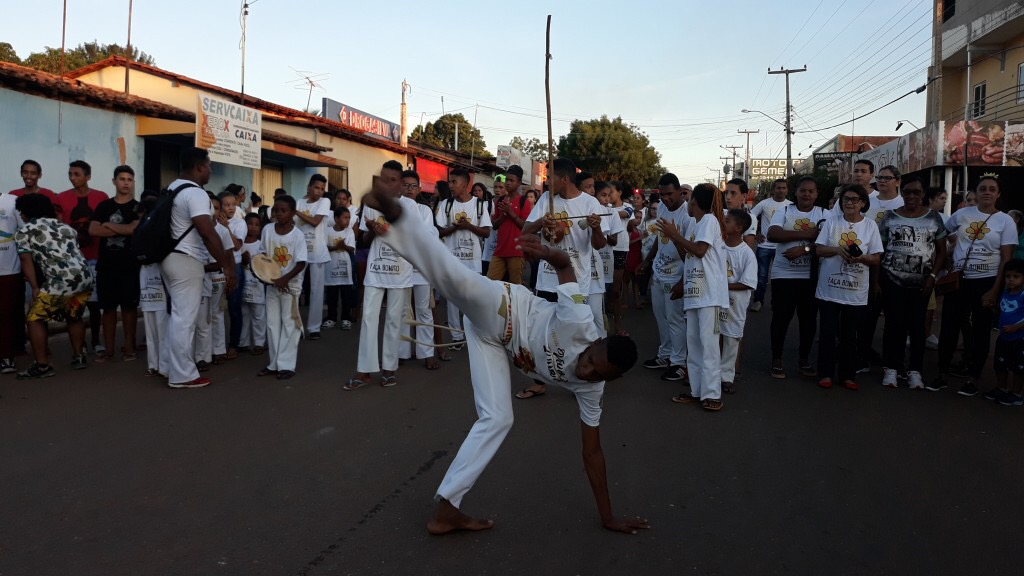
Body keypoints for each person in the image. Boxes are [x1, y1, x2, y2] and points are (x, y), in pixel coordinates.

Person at [357, 178, 645, 536]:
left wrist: (608, 516)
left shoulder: (591, 393)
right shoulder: (580, 321)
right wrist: (545, 252)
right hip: (503, 306)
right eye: (588, 358)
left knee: (498, 419)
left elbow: (593, 454)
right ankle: (398, 217)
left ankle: (447, 509)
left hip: (491, 340)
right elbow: (564, 266)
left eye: (592, 373)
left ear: (607, 381)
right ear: (597, 341)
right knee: (457, 282)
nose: (582, 369)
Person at [517, 158, 609, 399]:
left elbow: (599, 245)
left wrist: (597, 228)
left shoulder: (590, 203)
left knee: (577, 331)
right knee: (539, 329)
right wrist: (541, 222)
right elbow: (525, 231)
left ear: (565, 178)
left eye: (550, 176)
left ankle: (581, 376)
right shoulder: (546, 202)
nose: (547, 181)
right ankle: (538, 380)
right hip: (547, 279)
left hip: (577, 281)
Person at [928, 175, 1017, 396]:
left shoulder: (1005, 221)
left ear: (998, 194)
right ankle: (942, 374)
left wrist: (995, 290)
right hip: (959, 280)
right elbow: (941, 233)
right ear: (975, 193)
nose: (987, 192)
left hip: (986, 282)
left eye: (992, 189)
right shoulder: (962, 214)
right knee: (949, 327)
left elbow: (1006, 259)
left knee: (981, 331)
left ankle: (973, 378)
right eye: (982, 188)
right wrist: (948, 253)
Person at [161, 147, 237, 389]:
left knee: (175, 318)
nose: (211, 170)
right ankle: (182, 374)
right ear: (199, 167)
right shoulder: (195, 193)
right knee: (185, 319)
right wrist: (226, 264)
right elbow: (207, 231)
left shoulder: (172, 188)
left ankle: (167, 366)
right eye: (210, 166)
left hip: (168, 258)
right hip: (186, 260)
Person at [344, 160, 416, 390]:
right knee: (368, 319)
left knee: (394, 321)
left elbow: (413, 241)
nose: (387, 183)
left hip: (400, 271)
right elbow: (363, 240)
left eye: (392, 180)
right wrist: (373, 232)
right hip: (376, 270)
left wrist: (387, 230)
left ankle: (389, 369)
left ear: (401, 184)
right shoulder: (372, 204)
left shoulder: (410, 207)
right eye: (383, 178)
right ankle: (364, 371)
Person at [662, 183, 729, 411]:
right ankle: (697, 390)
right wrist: (674, 237)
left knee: (708, 345)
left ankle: (712, 394)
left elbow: (700, 250)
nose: (687, 203)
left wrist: (675, 235)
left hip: (710, 294)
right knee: (695, 344)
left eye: (689, 199)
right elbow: (688, 254)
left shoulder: (709, 220)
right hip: (695, 292)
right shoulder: (694, 223)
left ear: (695, 202)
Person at [877, 175, 947, 389]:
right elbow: (879, 250)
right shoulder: (890, 217)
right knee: (893, 325)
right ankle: (892, 368)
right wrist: (878, 281)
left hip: (922, 283)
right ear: (902, 192)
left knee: (917, 327)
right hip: (892, 280)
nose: (911, 196)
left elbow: (942, 252)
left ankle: (915, 370)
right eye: (907, 192)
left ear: (924, 194)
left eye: (916, 192)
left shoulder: (934, 218)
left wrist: (933, 277)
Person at [13, 194, 94, 378]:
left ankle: (42, 366)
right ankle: (79, 357)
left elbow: (26, 260)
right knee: (74, 315)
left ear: (27, 211)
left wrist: (34, 288)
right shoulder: (66, 227)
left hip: (61, 280)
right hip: (85, 276)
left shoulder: (25, 231)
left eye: (21, 211)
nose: (21, 215)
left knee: (34, 318)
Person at [814, 184, 883, 391]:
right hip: (829, 289)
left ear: (863, 203)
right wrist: (836, 250)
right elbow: (818, 250)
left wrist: (862, 258)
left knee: (849, 334)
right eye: (845, 199)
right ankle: (825, 373)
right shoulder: (831, 223)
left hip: (856, 290)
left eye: (854, 199)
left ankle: (847, 375)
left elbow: (877, 257)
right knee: (827, 332)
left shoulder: (870, 226)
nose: (849, 203)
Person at [767, 177, 826, 379]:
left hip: (811, 275)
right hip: (783, 274)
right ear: (796, 192)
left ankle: (804, 360)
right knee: (781, 318)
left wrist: (804, 248)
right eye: (802, 190)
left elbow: (825, 241)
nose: (806, 194)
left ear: (817, 194)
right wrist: (809, 233)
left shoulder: (824, 214)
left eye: (811, 191)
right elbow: (773, 234)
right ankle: (776, 360)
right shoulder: (784, 211)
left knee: (808, 321)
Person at [638, 174, 690, 382]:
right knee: (661, 317)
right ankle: (665, 355)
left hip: (677, 275)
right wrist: (648, 261)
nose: (666, 198)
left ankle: (679, 363)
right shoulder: (661, 208)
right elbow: (661, 239)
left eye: (670, 194)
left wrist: (682, 281)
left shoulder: (687, 215)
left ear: (679, 191)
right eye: (662, 194)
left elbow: (690, 249)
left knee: (676, 319)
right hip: (659, 272)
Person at [87, 165, 140, 362]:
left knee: (129, 309)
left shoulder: (137, 207)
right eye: (122, 179)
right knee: (107, 309)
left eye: (129, 179)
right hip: (106, 266)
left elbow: (134, 230)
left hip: (129, 266)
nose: (126, 182)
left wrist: (108, 225)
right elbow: (93, 230)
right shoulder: (104, 207)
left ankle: (129, 348)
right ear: (114, 181)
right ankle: (108, 350)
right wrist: (121, 228)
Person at [435, 168, 492, 348]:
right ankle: (457, 337)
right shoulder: (446, 205)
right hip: (452, 260)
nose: (451, 186)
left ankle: (474, 334)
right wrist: (455, 228)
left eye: (454, 182)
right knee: (453, 300)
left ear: (465, 184)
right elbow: (439, 231)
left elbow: (486, 232)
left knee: (471, 299)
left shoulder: (479, 205)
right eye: (450, 182)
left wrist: (468, 226)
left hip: (473, 261)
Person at [57, 160, 109, 356]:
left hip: (96, 257)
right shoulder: (61, 198)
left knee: (95, 305)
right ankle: (79, 347)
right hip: (72, 261)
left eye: (77, 174)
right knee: (75, 305)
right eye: (70, 174)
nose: (73, 178)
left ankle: (96, 340)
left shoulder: (100, 197)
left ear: (88, 176)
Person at [254, 195, 307, 380]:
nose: (277, 213)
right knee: (272, 323)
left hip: (290, 286)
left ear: (292, 213)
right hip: (272, 284)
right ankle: (274, 363)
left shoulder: (297, 235)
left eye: (283, 210)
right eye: (275, 209)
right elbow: (262, 254)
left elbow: (301, 263)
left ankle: (287, 365)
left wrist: (285, 279)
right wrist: (262, 275)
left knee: (289, 322)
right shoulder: (268, 230)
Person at [398, 170, 442, 369]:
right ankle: (402, 352)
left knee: (423, 310)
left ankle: (427, 352)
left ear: (418, 189)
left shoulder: (424, 210)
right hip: (400, 266)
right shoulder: (394, 208)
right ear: (400, 187)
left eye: (412, 186)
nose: (409, 189)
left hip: (421, 268)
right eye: (405, 185)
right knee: (402, 311)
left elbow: (422, 235)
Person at [720, 209, 757, 395]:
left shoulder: (746, 254)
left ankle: (726, 377)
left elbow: (747, 283)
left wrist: (722, 286)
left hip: (735, 305)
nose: (723, 223)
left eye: (727, 221)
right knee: (712, 336)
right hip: (716, 301)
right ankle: (710, 374)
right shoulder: (718, 246)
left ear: (738, 228)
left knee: (731, 339)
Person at [294, 174, 332, 340]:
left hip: (317, 252)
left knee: (316, 291)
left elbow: (315, 221)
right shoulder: (300, 202)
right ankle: (294, 325)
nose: (319, 191)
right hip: (300, 251)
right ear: (309, 187)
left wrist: (295, 211)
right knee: (295, 289)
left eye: (322, 189)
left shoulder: (324, 202)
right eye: (316, 187)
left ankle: (314, 327)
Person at [983, 258, 1024, 405]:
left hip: (1019, 339)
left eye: (1016, 276)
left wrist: (1016, 327)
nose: (1011, 280)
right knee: (1000, 364)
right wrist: (992, 307)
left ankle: (1017, 394)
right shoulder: (1005, 293)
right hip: (1004, 337)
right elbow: (1001, 310)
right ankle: (1002, 388)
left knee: (1019, 368)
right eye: (1008, 276)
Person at [137, 191, 169, 377]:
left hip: (147, 275)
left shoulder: (141, 226)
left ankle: (154, 364)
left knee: (151, 326)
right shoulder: (160, 226)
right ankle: (162, 366)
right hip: (157, 274)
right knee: (161, 325)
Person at [749, 178, 791, 312]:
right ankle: (758, 301)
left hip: (782, 247)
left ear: (787, 190)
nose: (781, 190)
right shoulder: (764, 203)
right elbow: (750, 217)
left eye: (783, 188)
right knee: (761, 276)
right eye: (778, 188)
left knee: (780, 278)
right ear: (773, 190)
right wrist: (754, 235)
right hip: (764, 246)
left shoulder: (791, 206)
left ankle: (777, 303)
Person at [487, 166, 532, 285]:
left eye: (511, 180)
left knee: (515, 287)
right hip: (499, 251)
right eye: (506, 180)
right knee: (490, 283)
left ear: (519, 183)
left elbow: (525, 227)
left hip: (517, 252)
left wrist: (511, 213)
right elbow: (495, 225)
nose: (508, 183)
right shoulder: (499, 200)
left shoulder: (524, 201)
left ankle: (515, 305)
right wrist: (504, 215)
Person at [0, 184, 23, 373]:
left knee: (7, 315)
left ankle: (7, 357)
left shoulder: (11, 201)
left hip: (9, 269)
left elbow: (23, 233)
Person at [324, 207, 356, 331]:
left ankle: (345, 319)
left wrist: (344, 246)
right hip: (330, 268)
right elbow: (324, 247)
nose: (347, 220)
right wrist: (335, 247)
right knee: (332, 295)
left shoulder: (349, 232)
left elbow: (352, 249)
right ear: (336, 218)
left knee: (346, 295)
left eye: (349, 217)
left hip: (345, 270)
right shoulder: (327, 231)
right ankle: (331, 318)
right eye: (345, 217)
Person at [239, 213, 267, 354]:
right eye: (250, 224)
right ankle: (243, 342)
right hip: (243, 285)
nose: (254, 227)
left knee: (258, 315)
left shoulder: (261, 245)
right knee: (244, 314)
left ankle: (259, 343)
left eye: (257, 225)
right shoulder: (240, 243)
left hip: (257, 286)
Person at [723, 178, 758, 250]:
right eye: (726, 193)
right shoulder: (720, 214)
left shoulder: (749, 218)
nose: (728, 197)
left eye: (733, 193)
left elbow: (748, 248)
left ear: (744, 196)